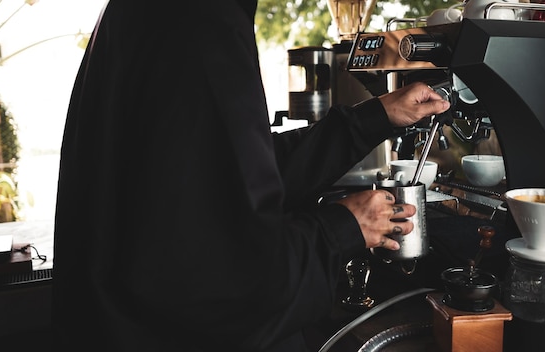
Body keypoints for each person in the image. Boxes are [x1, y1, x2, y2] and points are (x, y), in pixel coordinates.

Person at [50, 1, 451, 351]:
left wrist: (374, 117)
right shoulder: (201, 23)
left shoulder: (161, 12)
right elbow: (230, 279)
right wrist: (345, 227)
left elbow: (229, 171)